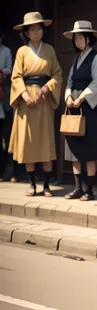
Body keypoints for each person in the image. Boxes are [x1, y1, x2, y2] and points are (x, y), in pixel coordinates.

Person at [9, 12, 62, 197]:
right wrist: (23, 94)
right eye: (32, 29)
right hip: (26, 102)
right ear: (26, 32)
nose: (36, 32)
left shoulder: (49, 50)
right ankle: (32, 184)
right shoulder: (22, 52)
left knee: (45, 142)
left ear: (43, 30)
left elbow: (57, 74)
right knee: (28, 143)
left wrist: (47, 88)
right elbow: (16, 76)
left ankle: (46, 185)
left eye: (39, 28)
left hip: (43, 100)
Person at [63, 21, 97, 201]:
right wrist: (68, 97)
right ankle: (78, 188)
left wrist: (81, 98)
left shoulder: (96, 57)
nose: (78, 41)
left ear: (89, 38)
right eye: (76, 38)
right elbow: (70, 81)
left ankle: (89, 190)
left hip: (87, 107)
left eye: (81, 37)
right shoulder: (76, 58)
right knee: (74, 150)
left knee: (89, 151)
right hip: (73, 108)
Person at [0, 27, 13, 181]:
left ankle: (4, 171)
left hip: (3, 90)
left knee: (5, 136)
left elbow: (10, 68)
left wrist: (2, 72)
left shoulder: (6, 51)